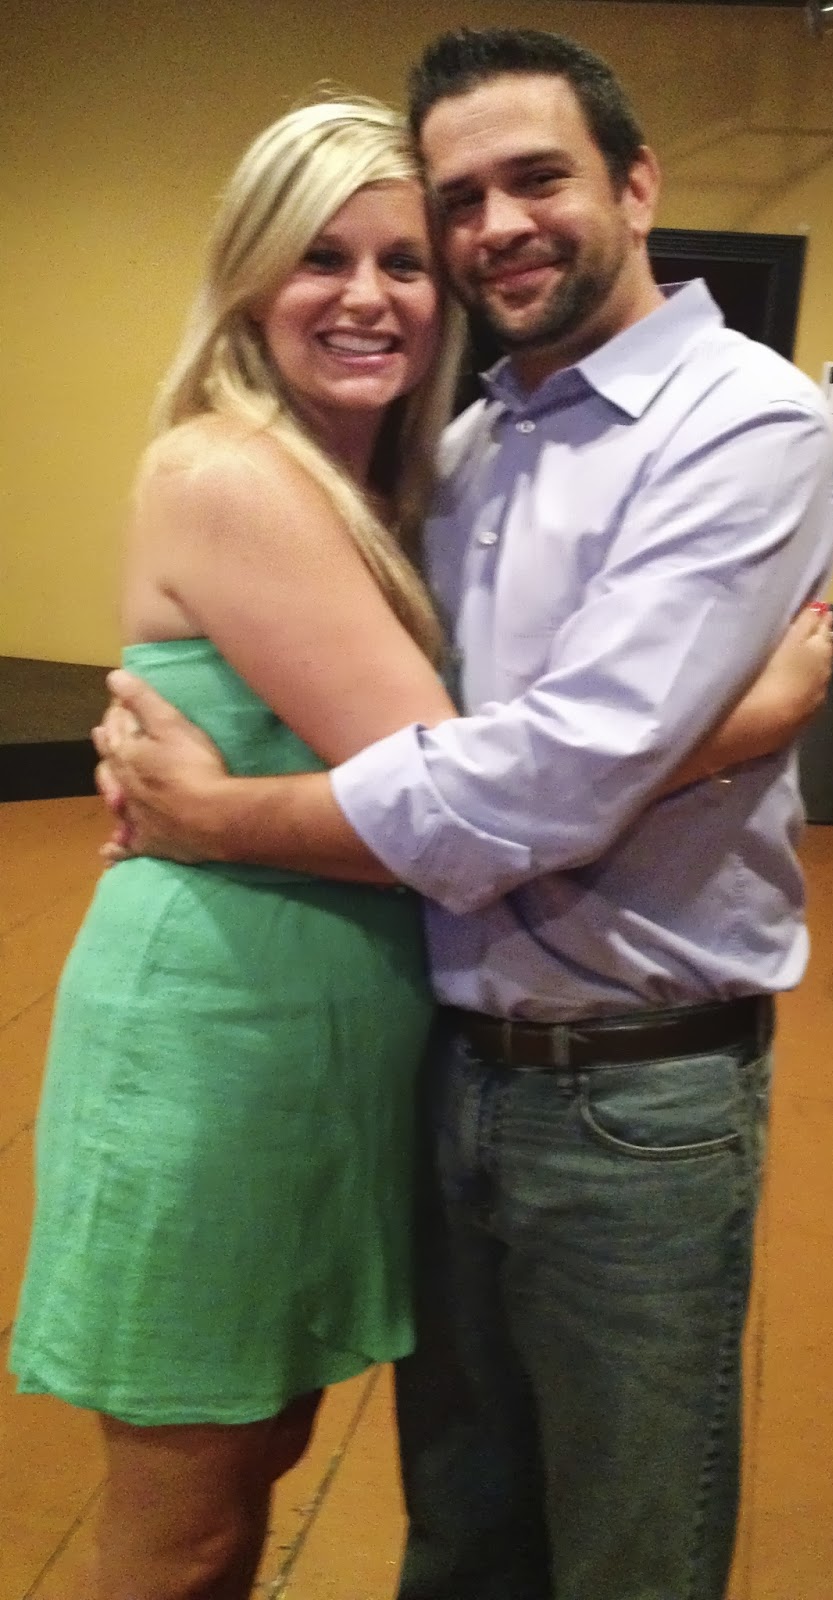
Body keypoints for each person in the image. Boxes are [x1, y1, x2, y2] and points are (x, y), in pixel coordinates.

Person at [92, 28, 833, 1600]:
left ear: (633, 185)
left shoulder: (738, 418)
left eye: (536, 178)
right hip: (436, 1061)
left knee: (626, 1547)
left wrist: (220, 814)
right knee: (459, 1529)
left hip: (631, 1092)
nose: (495, 224)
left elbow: (546, 779)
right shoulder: (467, 442)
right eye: (460, 199)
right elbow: (498, 768)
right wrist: (731, 730)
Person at [10, 95, 470, 1600]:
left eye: (404, 262)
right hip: (220, 1043)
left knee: (254, 1451)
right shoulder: (232, 472)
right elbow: (452, 810)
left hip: (315, 1038)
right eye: (321, 256)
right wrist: (737, 722)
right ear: (250, 273)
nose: (366, 296)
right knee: (187, 1525)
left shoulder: (370, 486)